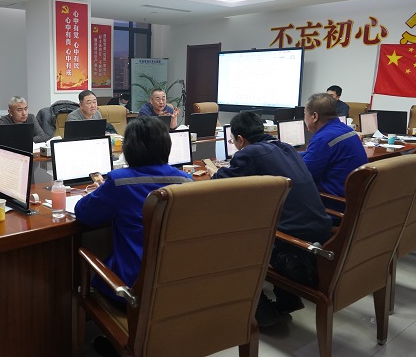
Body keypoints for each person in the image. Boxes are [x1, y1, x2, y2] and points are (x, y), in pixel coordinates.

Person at [206, 111, 332, 327]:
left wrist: (212, 171)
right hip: (320, 235)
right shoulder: (287, 148)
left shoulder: (249, 153)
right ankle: (287, 300)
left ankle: (261, 311)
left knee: (231, 242)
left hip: (294, 246)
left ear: (240, 139)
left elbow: (219, 184)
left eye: (233, 141)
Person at [75, 116, 192, 307]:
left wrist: (102, 190)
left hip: (130, 291)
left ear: (128, 149)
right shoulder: (186, 181)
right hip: (175, 286)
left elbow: (83, 213)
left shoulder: (119, 181)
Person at [301, 93, 367, 199]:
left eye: (305, 114)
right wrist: (291, 154)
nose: (304, 119)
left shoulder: (323, 138)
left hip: (334, 200)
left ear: (314, 116)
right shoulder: (347, 130)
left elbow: (303, 175)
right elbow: (314, 154)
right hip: (354, 197)